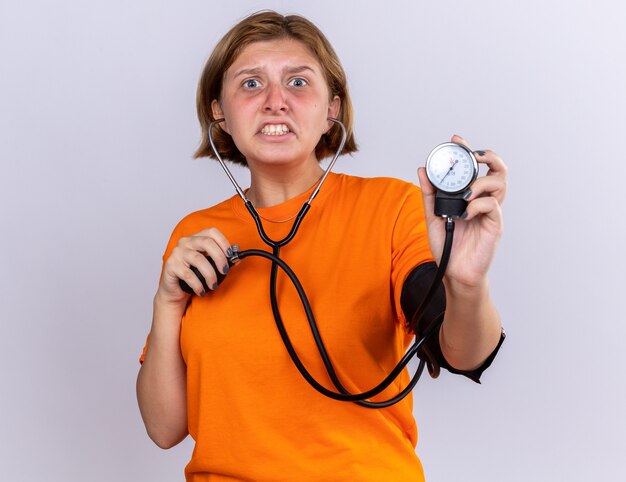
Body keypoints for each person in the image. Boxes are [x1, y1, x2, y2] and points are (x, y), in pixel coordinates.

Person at [136, 10, 507, 481]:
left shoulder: (391, 208)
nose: (275, 102)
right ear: (218, 112)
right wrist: (167, 303)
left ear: (332, 108)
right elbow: (165, 428)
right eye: (251, 84)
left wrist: (467, 285)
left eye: (297, 83)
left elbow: (460, 353)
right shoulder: (196, 235)